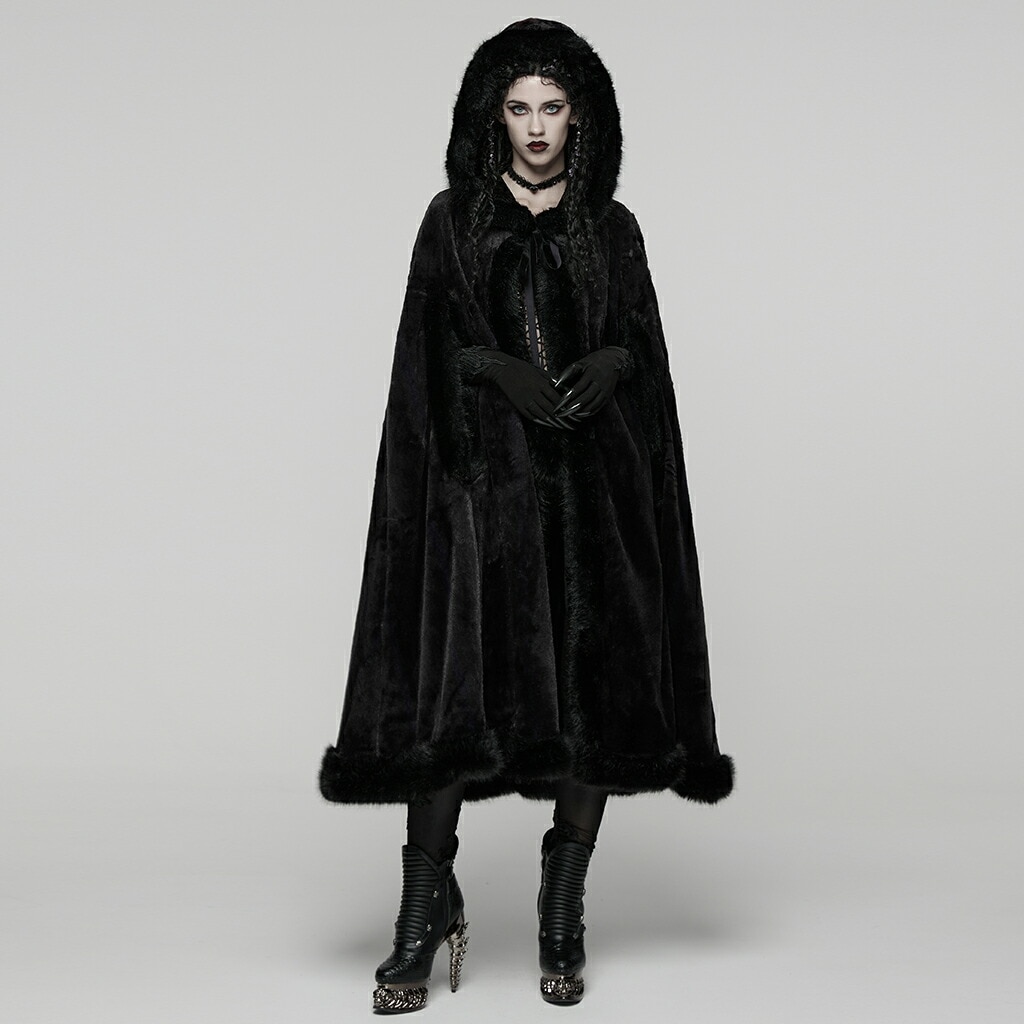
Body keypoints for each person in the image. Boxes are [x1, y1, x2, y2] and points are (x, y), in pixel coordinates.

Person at [318, 18, 735, 1012]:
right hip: (482, 500)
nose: (537, 127)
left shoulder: (613, 227)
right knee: (454, 702)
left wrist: (617, 359)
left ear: (581, 116)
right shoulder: (451, 221)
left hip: (594, 497)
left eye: (553, 107)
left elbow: (646, 355)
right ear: (491, 116)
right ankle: (423, 908)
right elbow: (420, 362)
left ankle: (562, 897)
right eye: (519, 108)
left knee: (592, 694)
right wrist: (490, 366)